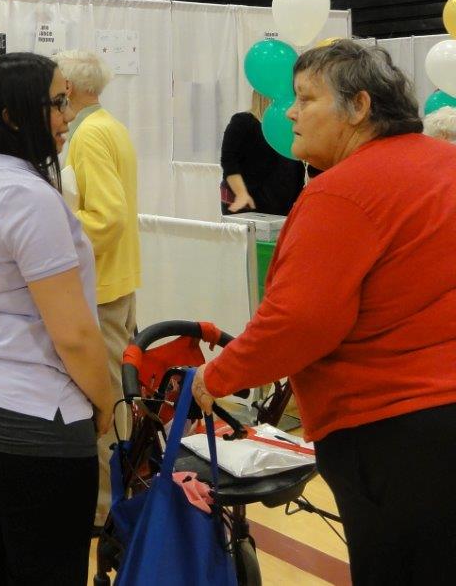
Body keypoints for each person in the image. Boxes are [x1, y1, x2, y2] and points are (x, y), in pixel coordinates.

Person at [192, 40, 456, 585]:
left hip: (392, 429)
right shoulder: (446, 163)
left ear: (359, 107)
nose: (289, 111)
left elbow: (299, 322)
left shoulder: (341, 193)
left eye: (305, 98)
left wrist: (217, 375)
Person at [0, 53, 115, 585]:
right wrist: (107, 402)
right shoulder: (23, 194)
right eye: (57, 103)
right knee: (46, 565)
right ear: (15, 116)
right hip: (32, 412)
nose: (67, 116)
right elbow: (74, 334)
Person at [53, 49, 141, 529]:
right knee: (116, 392)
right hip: (117, 278)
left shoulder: (88, 135)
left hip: (103, 284)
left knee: (106, 398)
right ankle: (115, 494)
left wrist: (58, 220)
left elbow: (106, 217)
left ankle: (107, 504)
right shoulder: (110, 125)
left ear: (69, 85)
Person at [220, 89, 306, 215]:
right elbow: (228, 161)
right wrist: (241, 193)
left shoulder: (288, 128)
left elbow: (296, 164)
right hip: (249, 205)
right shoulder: (243, 122)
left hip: (282, 203)